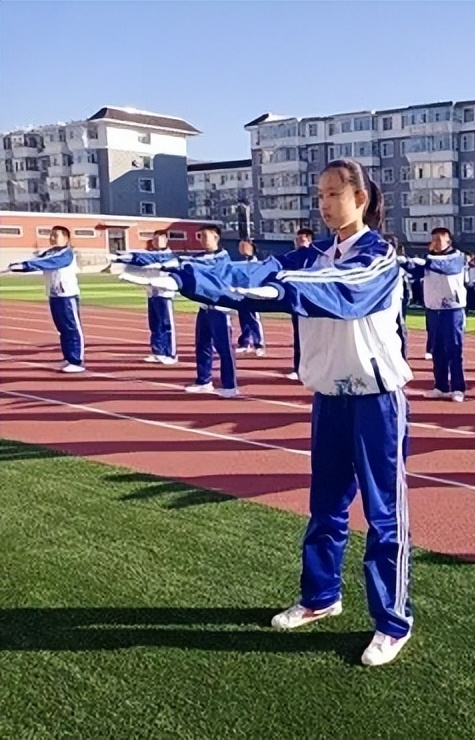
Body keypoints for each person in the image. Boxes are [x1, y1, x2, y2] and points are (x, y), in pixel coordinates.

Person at [134, 159, 414, 666]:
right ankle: (320, 597)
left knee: (383, 516)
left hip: (377, 402)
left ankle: (392, 622)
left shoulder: (380, 257)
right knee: (326, 507)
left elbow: (346, 291)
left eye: (334, 193)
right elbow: (254, 269)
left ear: (361, 199)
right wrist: (182, 273)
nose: (326, 204)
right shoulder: (312, 256)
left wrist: (282, 291)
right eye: (321, 195)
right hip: (330, 399)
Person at [123, 224, 238, 397]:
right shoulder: (199, 256)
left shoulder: (222, 257)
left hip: (220, 308)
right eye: (200, 236)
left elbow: (199, 264)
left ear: (216, 237)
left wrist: (168, 265)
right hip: (204, 306)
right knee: (202, 345)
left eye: (205, 236)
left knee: (224, 348)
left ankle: (230, 385)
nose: (202, 240)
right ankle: (204, 380)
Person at [4, 225, 85, 372]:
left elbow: (49, 262)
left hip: (67, 295)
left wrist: (24, 265)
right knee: (61, 329)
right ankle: (68, 357)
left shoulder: (66, 254)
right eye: (51, 235)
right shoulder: (48, 252)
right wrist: (20, 266)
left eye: (56, 235)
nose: (52, 238)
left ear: (66, 238)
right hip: (54, 295)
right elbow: (37, 262)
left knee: (71, 328)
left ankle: (76, 360)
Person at [402, 228, 467, 402]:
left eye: (439, 240)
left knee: (454, 349)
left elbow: (446, 266)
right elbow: (415, 270)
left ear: (448, 242)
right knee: (437, 350)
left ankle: (458, 388)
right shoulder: (429, 260)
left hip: (452, 309)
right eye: (433, 240)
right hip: (433, 310)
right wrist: (403, 262)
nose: (435, 243)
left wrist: (425, 261)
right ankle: (441, 386)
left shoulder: (457, 257)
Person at [112, 229, 178, 365]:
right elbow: (140, 259)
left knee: (166, 324)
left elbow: (146, 258)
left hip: (164, 293)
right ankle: (157, 351)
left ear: (166, 240)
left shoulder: (169, 256)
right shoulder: (151, 254)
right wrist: (121, 258)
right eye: (155, 239)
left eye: (160, 239)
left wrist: (126, 257)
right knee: (154, 324)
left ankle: (170, 353)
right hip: (152, 293)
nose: (157, 241)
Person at [287, 228, 315, 380]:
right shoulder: (292, 257)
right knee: (298, 336)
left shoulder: (314, 256)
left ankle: (313, 368)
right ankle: (298, 368)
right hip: (297, 303)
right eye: (297, 239)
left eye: (302, 239)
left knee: (313, 337)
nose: (298, 242)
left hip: (311, 303)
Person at [235, 240, 266, 357]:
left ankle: (259, 344)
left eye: (244, 246)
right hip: (241, 295)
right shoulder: (240, 263)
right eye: (240, 246)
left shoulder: (256, 263)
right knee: (243, 319)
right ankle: (245, 342)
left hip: (252, 294)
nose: (242, 248)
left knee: (253, 319)